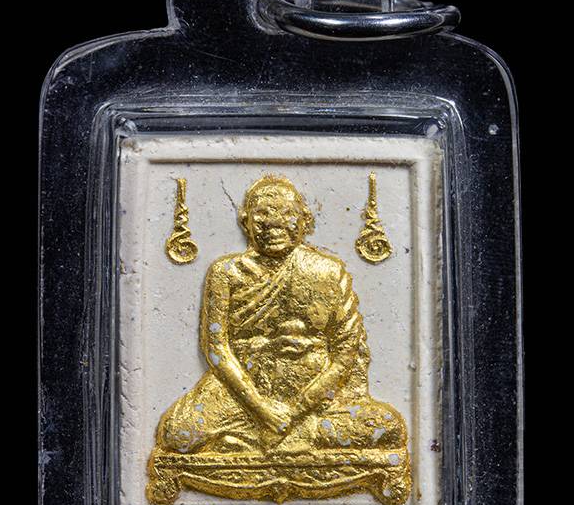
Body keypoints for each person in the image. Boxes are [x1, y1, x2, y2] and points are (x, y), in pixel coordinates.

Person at [153, 174, 407, 459]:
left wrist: (296, 410)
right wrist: (262, 410)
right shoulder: (226, 272)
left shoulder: (328, 271)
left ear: (305, 220)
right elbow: (216, 349)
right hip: (242, 390)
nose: (274, 224)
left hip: (314, 390)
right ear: (246, 221)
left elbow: (346, 353)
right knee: (177, 433)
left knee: (389, 427)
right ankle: (276, 435)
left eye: (287, 214)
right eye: (262, 214)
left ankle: (276, 435)